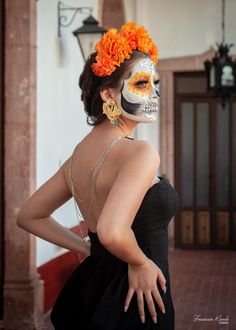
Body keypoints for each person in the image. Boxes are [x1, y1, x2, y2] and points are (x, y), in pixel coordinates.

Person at [17, 22, 179, 329]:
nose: (156, 92)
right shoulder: (140, 152)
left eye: (156, 82)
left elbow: (28, 215)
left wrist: (85, 248)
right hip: (139, 295)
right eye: (143, 84)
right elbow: (111, 231)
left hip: (91, 286)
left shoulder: (78, 156)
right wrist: (140, 262)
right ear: (108, 94)